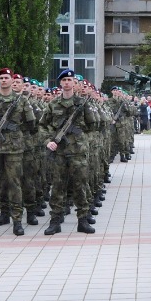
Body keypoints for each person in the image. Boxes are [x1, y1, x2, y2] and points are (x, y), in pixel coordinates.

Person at [0, 67, 37, 236]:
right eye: (1, 78)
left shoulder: (22, 101)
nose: (4, 80)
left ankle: (17, 221)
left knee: (15, 185)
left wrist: (16, 134)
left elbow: (31, 124)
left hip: (14, 150)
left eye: (6, 77)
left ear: (12, 81)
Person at [41, 69, 98, 235]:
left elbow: (93, 125)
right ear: (60, 83)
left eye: (69, 80)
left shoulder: (83, 103)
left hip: (78, 152)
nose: (66, 82)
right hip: (59, 152)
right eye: (64, 80)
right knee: (58, 186)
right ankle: (55, 221)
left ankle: (83, 220)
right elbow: (42, 126)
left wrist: (82, 139)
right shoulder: (52, 104)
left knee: (80, 185)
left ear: (74, 83)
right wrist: (48, 141)